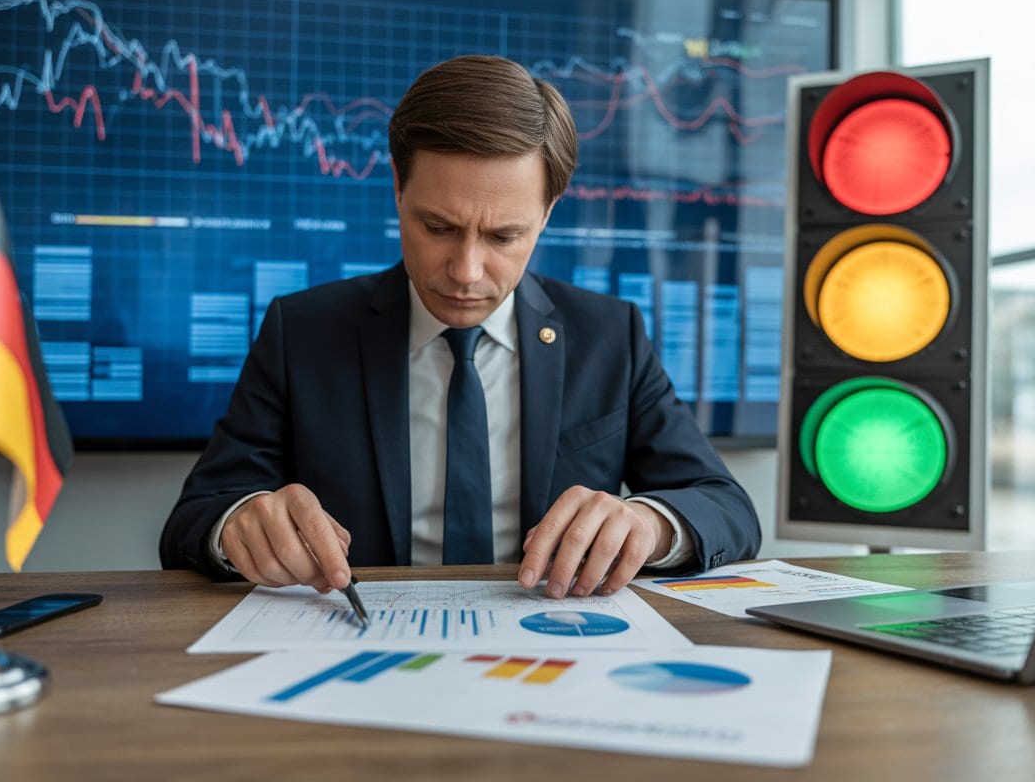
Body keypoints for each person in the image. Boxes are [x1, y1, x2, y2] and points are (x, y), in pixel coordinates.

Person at [159, 54, 760, 599]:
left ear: (547, 214)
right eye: (439, 228)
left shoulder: (610, 335)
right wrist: (239, 524)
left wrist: (649, 524)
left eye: (504, 236)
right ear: (398, 190)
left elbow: (726, 506)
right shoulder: (303, 332)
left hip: (551, 644)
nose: (467, 272)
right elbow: (194, 520)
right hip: (360, 644)